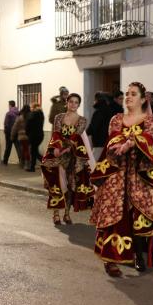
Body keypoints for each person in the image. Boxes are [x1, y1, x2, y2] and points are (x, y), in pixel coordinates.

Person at [90, 82, 153, 277]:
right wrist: (119, 144)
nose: (128, 97)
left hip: (141, 175)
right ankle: (110, 259)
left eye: (133, 94)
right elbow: (111, 139)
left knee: (139, 216)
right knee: (113, 215)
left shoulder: (151, 120)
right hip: (117, 174)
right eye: (127, 94)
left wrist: (131, 143)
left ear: (143, 99)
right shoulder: (116, 119)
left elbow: (150, 138)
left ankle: (138, 255)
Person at [41, 94, 95, 225]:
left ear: (78, 105)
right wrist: (56, 148)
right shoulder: (59, 117)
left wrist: (67, 148)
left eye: (76, 102)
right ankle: (56, 214)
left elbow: (76, 136)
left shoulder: (82, 120)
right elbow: (56, 133)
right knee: (58, 183)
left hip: (74, 156)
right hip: (58, 154)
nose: (73, 104)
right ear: (67, 102)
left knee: (71, 186)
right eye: (71, 101)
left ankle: (66, 213)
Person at [87, 92, 113, 160]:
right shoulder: (110, 111)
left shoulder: (98, 112)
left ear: (97, 100)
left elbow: (93, 127)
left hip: (99, 143)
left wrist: (85, 133)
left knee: (93, 165)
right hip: (107, 142)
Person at [25, 103, 44, 172]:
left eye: (31, 107)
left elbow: (28, 124)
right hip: (40, 135)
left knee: (34, 151)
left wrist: (27, 133)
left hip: (33, 135)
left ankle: (45, 162)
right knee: (34, 151)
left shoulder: (33, 114)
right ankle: (32, 167)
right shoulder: (41, 114)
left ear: (34, 107)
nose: (30, 108)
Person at [11, 104, 31, 169]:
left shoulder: (20, 117)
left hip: (21, 136)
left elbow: (15, 127)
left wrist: (12, 135)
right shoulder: (31, 117)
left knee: (24, 149)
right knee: (26, 149)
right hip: (29, 136)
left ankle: (24, 163)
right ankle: (25, 163)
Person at [2, 100, 20, 166]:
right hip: (17, 132)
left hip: (9, 132)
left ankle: (5, 161)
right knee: (18, 147)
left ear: (10, 105)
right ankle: (21, 161)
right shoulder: (18, 112)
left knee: (8, 147)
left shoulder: (9, 113)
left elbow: (6, 124)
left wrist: (5, 131)